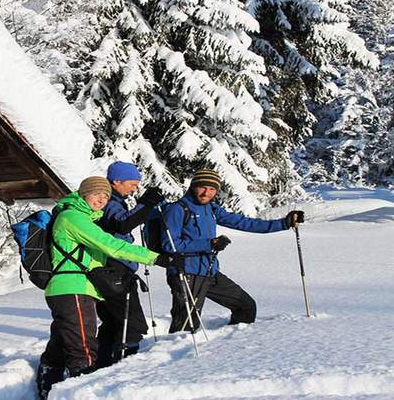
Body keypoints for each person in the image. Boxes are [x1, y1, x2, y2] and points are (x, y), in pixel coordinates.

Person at [37, 176, 181, 400]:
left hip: (68, 288)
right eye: (96, 194)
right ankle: (77, 391)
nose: (102, 200)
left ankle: (46, 388)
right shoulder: (73, 218)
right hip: (74, 288)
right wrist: (156, 258)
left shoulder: (79, 218)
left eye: (105, 196)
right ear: (84, 194)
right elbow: (111, 245)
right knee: (82, 348)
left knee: (62, 342)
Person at [161, 169, 305, 333]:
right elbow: (170, 245)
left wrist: (284, 223)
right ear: (193, 186)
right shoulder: (177, 209)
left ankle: (231, 347)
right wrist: (210, 244)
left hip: (209, 271)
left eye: (212, 189)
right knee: (186, 327)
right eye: (202, 187)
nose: (206, 192)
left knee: (246, 307)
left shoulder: (212, 209)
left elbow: (244, 223)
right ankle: (171, 355)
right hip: (185, 273)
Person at [94, 161, 165, 367]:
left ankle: (102, 364)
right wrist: (147, 204)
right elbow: (122, 223)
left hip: (109, 270)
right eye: (132, 184)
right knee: (131, 323)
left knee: (113, 323)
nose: (135, 188)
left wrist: (145, 207)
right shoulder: (108, 202)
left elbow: (125, 221)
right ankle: (124, 367)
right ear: (117, 181)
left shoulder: (112, 201)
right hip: (114, 269)